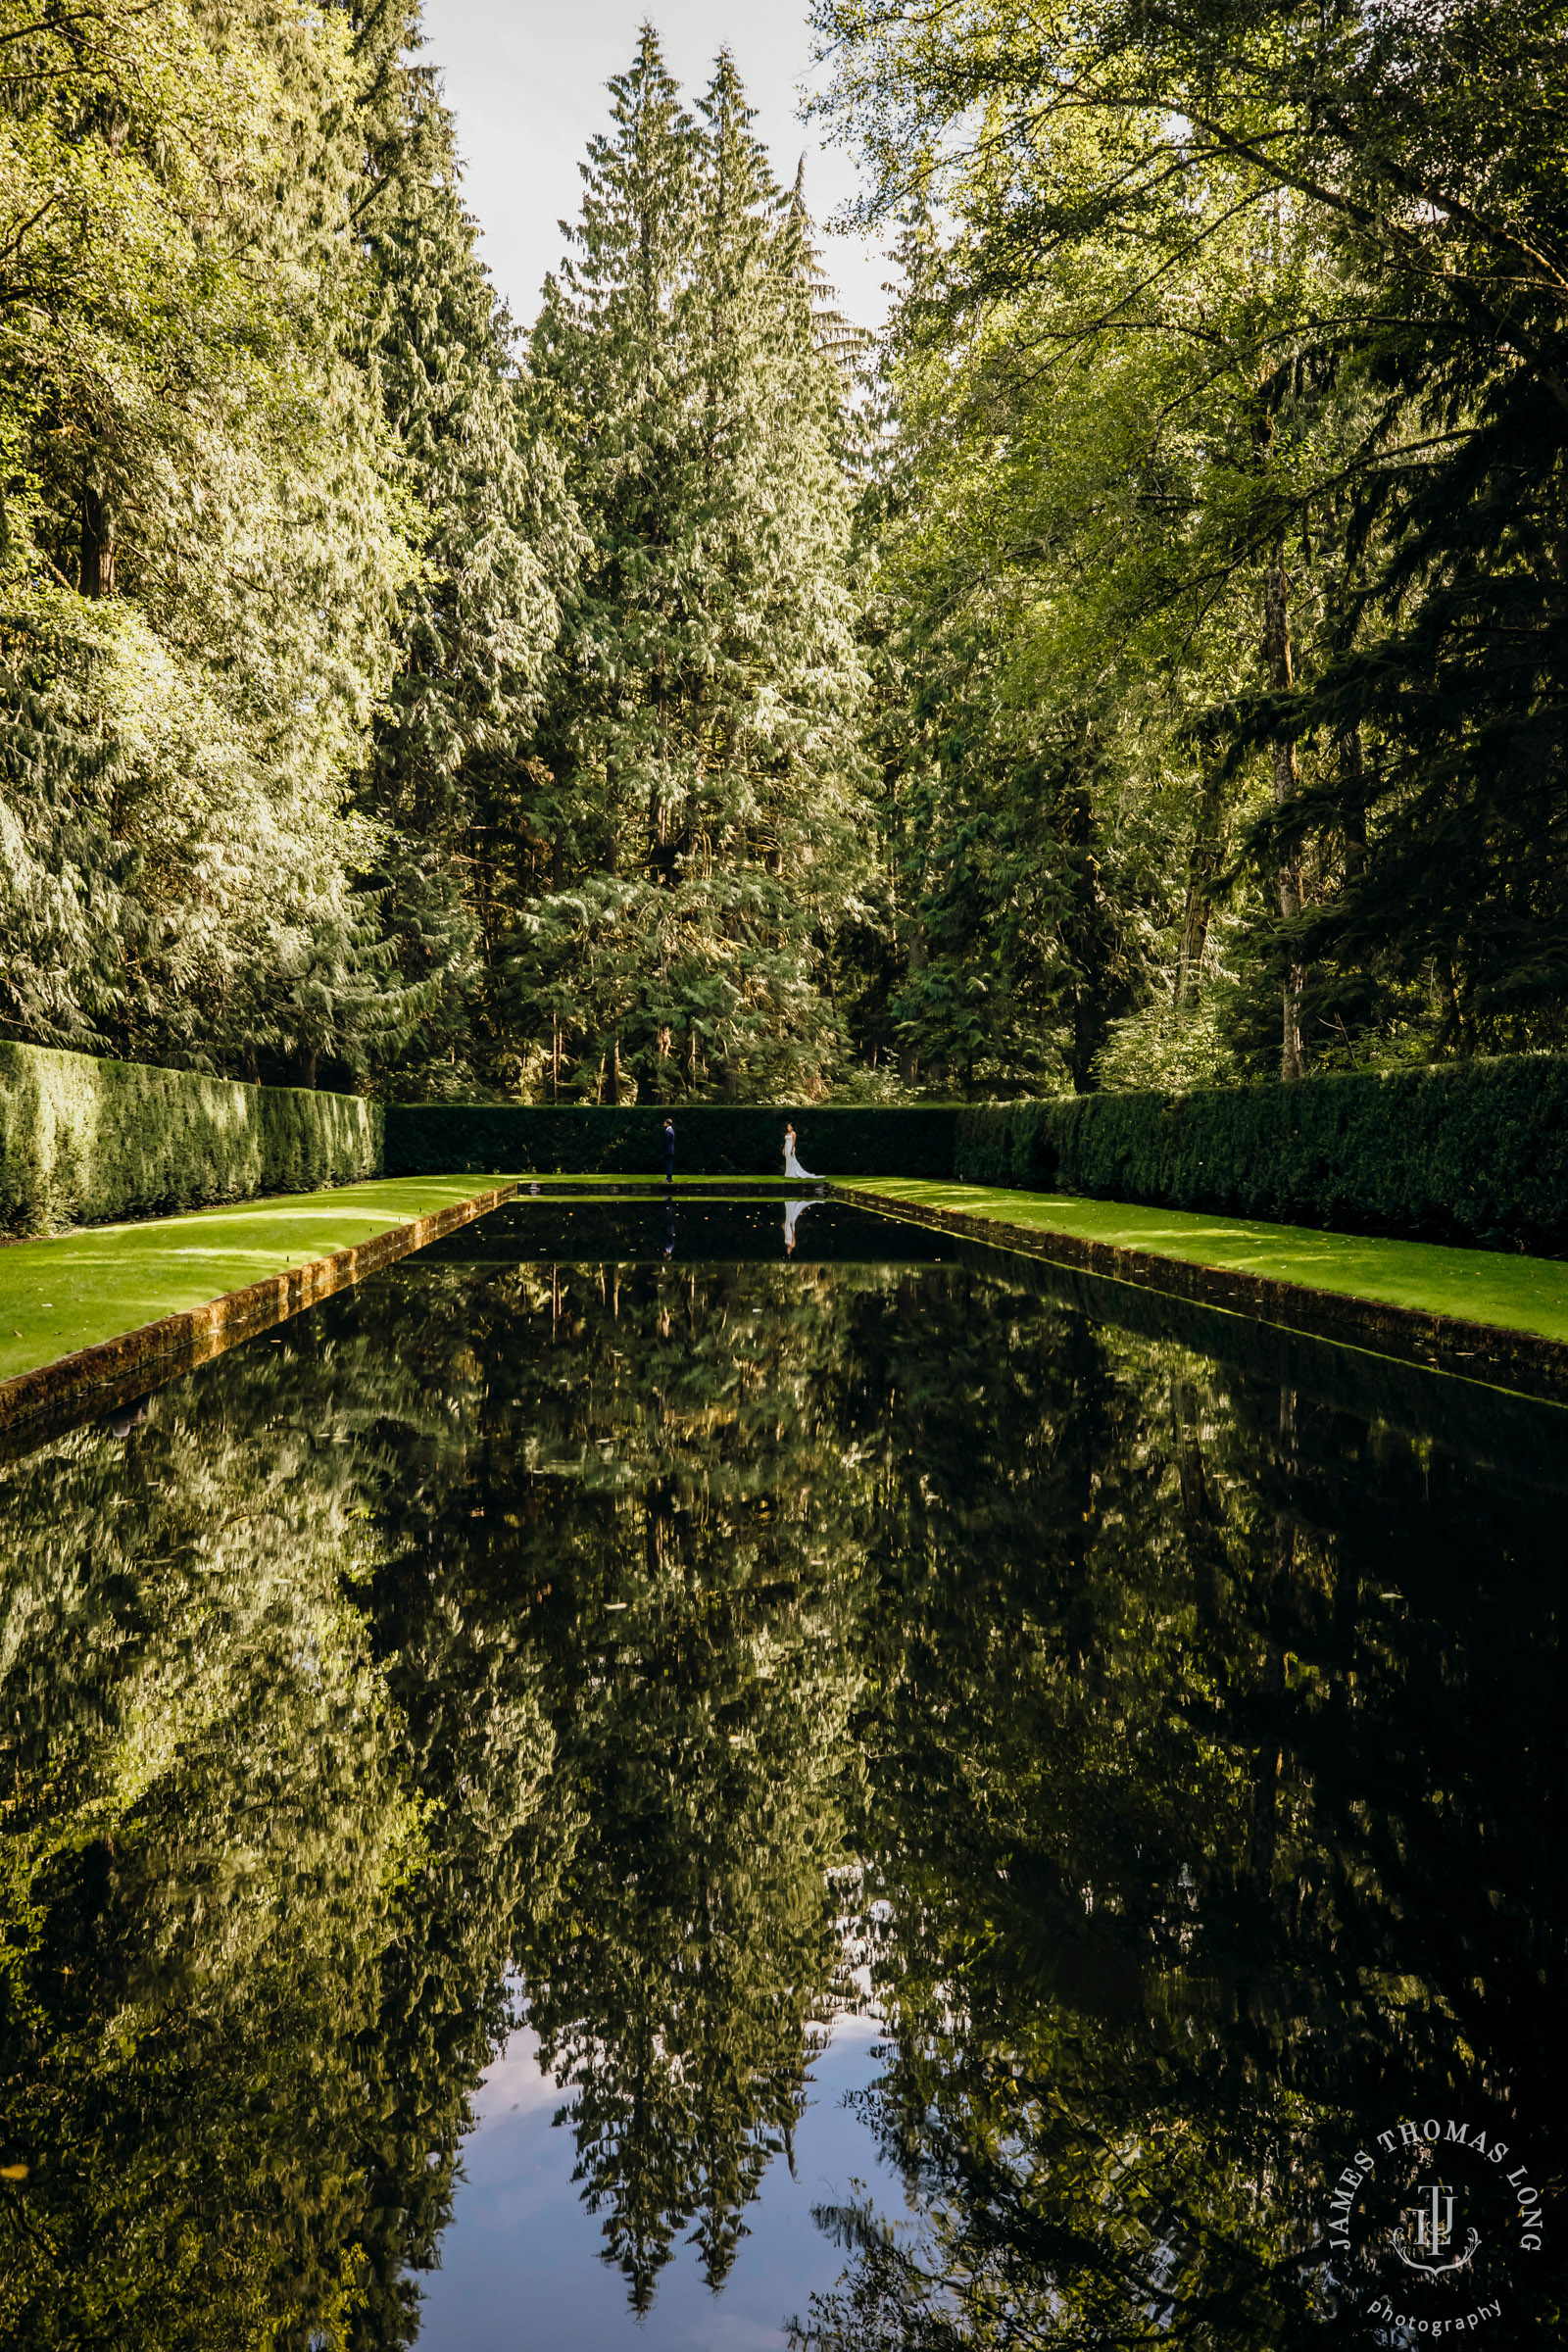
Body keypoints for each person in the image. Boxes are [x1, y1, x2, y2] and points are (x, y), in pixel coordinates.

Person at [662, 1117, 675, 1184]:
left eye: (665, 1123)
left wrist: (663, 1147)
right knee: (669, 1164)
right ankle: (669, 1178)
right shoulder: (671, 1131)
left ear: (668, 1124)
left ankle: (669, 1178)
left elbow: (666, 1142)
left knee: (668, 1164)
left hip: (668, 1150)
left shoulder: (669, 1131)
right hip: (670, 1149)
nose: (664, 1124)